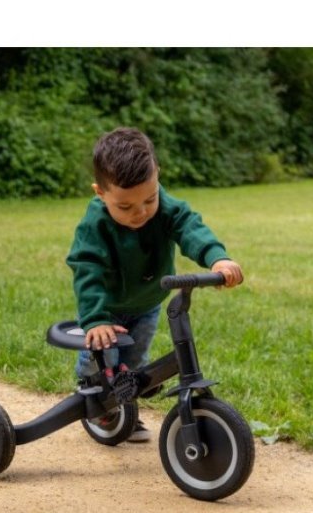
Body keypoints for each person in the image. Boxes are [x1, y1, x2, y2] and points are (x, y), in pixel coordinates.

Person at [66, 127, 243, 442]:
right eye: (125, 207)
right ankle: (95, 396)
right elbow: (87, 269)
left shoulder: (166, 208)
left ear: (157, 175)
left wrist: (217, 258)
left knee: (134, 363)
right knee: (104, 363)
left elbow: (189, 227)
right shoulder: (96, 224)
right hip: (106, 309)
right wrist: (95, 318)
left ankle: (127, 405)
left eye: (150, 199)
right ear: (100, 193)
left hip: (147, 304)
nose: (141, 212)